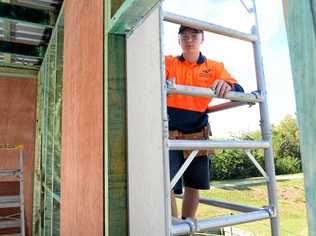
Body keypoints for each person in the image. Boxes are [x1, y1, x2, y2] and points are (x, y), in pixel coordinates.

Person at [165, 25, 244, 222]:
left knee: (194, 185)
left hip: (197, 132)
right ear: (178, 40)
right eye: (184, 36)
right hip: (170, 131)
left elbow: (239, 88)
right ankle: (172, 230)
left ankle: (186, 231)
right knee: (167, 185)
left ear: (202, 39)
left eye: (194, 36)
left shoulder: (214, 66)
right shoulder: (168, 62)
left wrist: (228, 85)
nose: (189, 40)